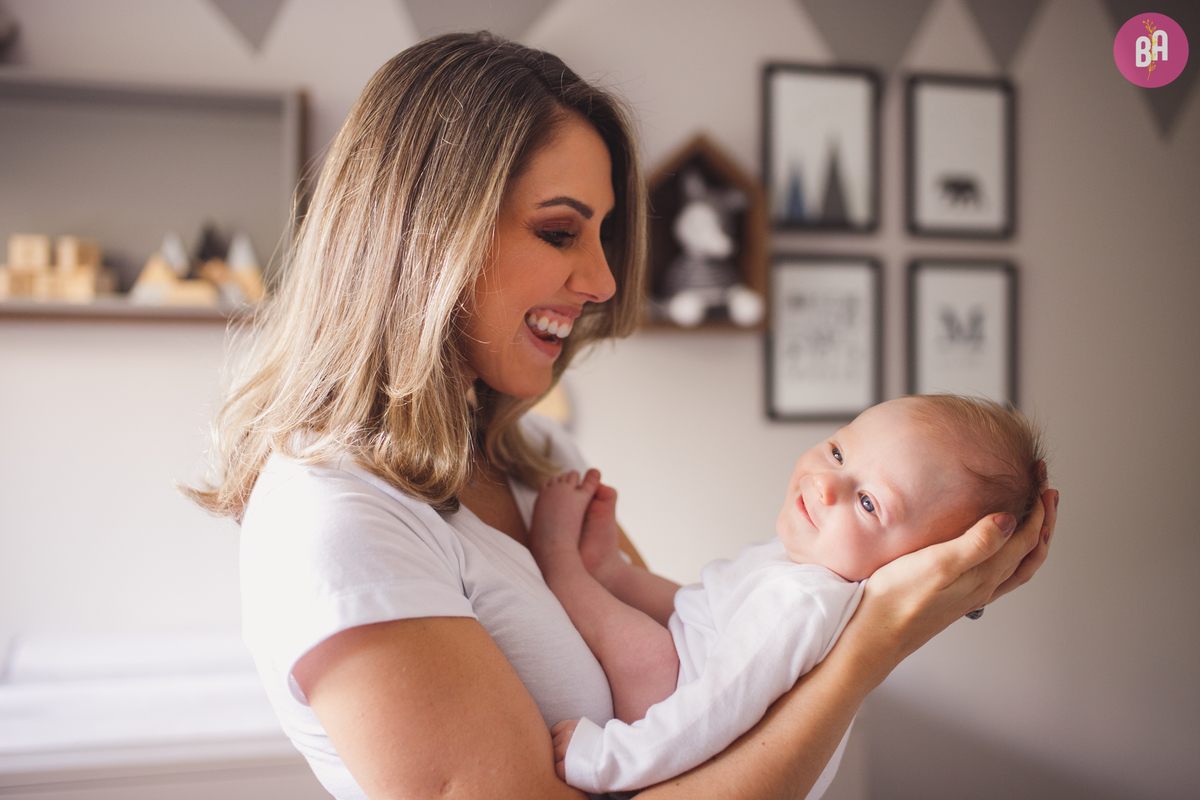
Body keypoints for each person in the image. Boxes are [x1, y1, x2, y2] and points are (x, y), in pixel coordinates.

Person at [188, 31, 1057, 800]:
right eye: (562, 232)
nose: (604, 281)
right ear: (427, 236)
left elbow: (690, 671)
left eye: (602, 235)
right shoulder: (336, 518)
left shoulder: (533, 457)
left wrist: (923, 581)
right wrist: (869, 648)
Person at [528, 394, 1047, 796]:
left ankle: (561, 567)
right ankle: (603, 572)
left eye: (868, 503)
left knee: (646, 650)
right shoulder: (807, 564)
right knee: (692, 612)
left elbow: (711, 713)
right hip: (693, 691)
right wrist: (619, 576)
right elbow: (704, 610)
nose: (825, 484)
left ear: (919, 566)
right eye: (839, 451)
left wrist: (605, 758)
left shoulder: (805, 602)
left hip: (681, 743)